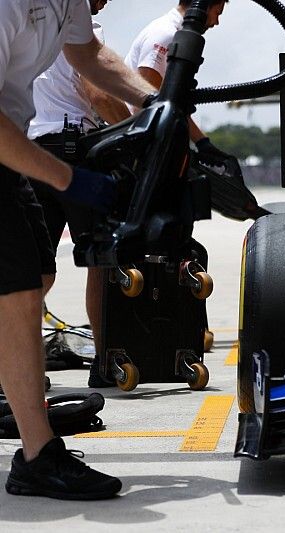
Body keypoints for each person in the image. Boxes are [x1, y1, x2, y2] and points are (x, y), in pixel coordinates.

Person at [0, 0, 155, 500]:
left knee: (35, 281)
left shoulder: (68, 1)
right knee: (17, 292)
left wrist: (152, 102)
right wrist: (69, 179)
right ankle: (37, 457)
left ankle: (22, 420)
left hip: (10, 149)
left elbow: (87, 53)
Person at [27, 0, 131, 387]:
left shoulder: (33, 29)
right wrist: (138, 127)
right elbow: (100, 95)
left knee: (36, 268)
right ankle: (104, 361)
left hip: (30, 152)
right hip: (75, 153)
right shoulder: (83, 32)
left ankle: (20, 364)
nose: (106, 3)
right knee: (101, 261)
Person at [125, 0, 235, 164]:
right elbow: (144, 103)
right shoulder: (165, 34)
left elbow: (167, 104)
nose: (216, 22)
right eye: (217, 13)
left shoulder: (178, 35)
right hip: (132, 142)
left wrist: (202, 143)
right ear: (203, 6)